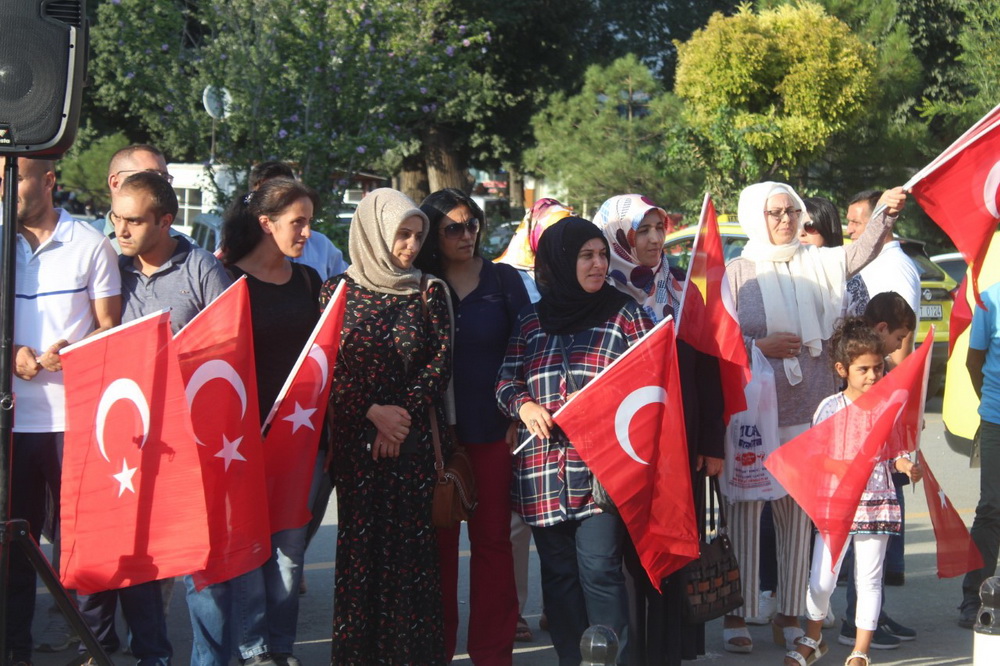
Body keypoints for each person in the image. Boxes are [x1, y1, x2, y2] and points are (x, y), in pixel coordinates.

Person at [722, 181, 906, 654]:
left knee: (800, 517)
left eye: (791, 210)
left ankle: (789, 611)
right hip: (755, 410)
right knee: (745, 511)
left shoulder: (818, 262)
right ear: (754, 217)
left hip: (814, 409)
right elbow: (719, 341)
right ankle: (739, 613)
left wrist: (884, 212)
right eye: (774, 212)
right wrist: (757, 346)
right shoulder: (738, 272)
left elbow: (860, 253)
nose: (785, 220)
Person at [75, 171, 232, 666]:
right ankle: (153, 656)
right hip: (130, 445)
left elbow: (229, 350)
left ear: (167, 220)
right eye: (115, 218)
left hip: (193, 442)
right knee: (138, 557)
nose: (120, 231)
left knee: (198, 569)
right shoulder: (111, 270)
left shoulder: (201, 268)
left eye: (134, 221)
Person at [497, 216, 654, 666]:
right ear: (560, 262)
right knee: (559, 578)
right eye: (586, 255)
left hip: (602, 472)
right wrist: (524, 406)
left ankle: (609, 660)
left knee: (601, 571)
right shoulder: (531, 320)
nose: (598, 264)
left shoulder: (626, 313)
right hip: (542, 473)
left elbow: (650, 386)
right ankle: (573, 659)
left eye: (602, 254)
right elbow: (505, 381)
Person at [594, 193, 725, 666]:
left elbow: (708, 369)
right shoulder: (601, 295)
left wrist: (712, 441)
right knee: (625, 559)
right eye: (640, 231)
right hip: (624, 446)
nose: (652, 240)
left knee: (672, 551)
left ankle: (669, 653)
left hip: (681, 443)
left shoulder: (682, 290)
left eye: (658, 228)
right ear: (618, 238)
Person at [194, 176, 321, 666]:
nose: (307, 232)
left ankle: (281, 650)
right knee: (249, 549)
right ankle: (254, 649)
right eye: (298, 222)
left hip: (299, 442)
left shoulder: (308, 281)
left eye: (309, 221)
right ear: (266, 224)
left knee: (288, 554)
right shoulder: (226, 280)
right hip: (239, 444)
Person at [324, 188, 452, 664]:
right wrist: (371, 413)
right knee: (361, 556)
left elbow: (439, 364)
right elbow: (328, 367)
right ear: (375, 232)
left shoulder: (428, 290)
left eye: (418, 236)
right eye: (402, 234)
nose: (410, 246)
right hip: (359, 451)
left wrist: (398, 418)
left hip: (411, 447)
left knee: (409, 561)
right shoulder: (335, 291)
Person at [9, 157, 121, 666]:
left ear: (49, 181)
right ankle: (15, 646)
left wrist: (67, 354)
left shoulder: (91, 244)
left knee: (80, 542)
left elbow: (110, 325)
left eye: (15, 176)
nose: (5, 188)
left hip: (73, 420)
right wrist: (14, 355)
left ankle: (93, 645)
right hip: (12, 423)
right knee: (15, 541)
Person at [414, 188, 529, 664]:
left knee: (492, 544)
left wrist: (520, 410)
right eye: (453, 228)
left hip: (493, 431)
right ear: (433, 236)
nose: (467, 235)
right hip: (435, 437)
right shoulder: (418, 282)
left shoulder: (503, 280)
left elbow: (529, 347)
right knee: (437, 547)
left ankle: (491, 651)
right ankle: (436, 649)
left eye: (472, 224)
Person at [786, 317, 922, 666]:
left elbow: (895, 453)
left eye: (877, 368)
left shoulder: (888, 408)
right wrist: (838, 467)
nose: (873, 376)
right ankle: (813, 638)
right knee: (820, 581)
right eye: (863, 369)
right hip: (837, 506)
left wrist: (905, 465)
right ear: (842, 369)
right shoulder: (829, 409)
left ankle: (861, 650)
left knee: (869, 578)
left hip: (876, 505)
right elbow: (814, 458)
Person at [495, 196, 572, 638]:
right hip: (520, 410)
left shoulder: (582, 269)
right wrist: (516, 405)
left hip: (567, 415)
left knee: (562, 521)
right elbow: (505, 346)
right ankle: (516, 609)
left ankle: (556, 607)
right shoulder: (507, 275)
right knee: (518, 522)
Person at [959, 278, 1000, 628]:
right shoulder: (990, 300)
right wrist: (991, 404)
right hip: (997, 420)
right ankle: (974, 598)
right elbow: (974, 363)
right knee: (992, 507)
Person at [248, 161, 348, 281]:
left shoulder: (321, 246)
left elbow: (343, 287)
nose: (307, 233)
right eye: (297, 221)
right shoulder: (238, 254)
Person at [103, 144, 194, 253]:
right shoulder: (87, 240)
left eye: (164, 177)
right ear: (115, 183)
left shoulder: (186, 250)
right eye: (149, 176)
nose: (160, 185)